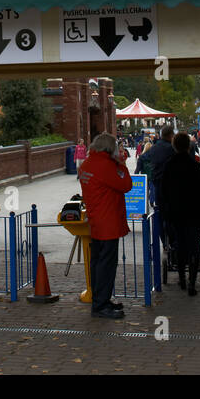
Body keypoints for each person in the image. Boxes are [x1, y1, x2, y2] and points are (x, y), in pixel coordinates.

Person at [76, 132, 132, 320]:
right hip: (109, 222)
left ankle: (100, 299)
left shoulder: (87, 164)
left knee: (98, 263)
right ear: (109, 149)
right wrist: (121, 163)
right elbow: (126, 184)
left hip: (96, 220)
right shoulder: (106, 166)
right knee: (107, 265)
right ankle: (101, 305)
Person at [160, 132, 200, 296]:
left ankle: (182, 278)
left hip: (176, 214)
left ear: (174, 146)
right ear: (189, 146)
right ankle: (192, 283)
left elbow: (163, 192)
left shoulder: (169, 166)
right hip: (194, 213)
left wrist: (164, 211)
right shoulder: (195, 165)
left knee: (180, 245)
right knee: (194, 248)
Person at [136, 124, 176, 256]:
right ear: (171, 136)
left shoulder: (153, 149)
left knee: (160, 215)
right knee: (172, 217)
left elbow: (145, 160)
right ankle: (174, 243)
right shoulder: (172, 149)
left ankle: (164, 242)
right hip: (172, 187)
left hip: (158, 186)